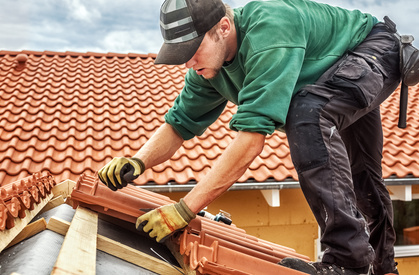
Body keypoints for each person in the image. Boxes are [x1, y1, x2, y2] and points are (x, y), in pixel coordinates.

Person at [98, 0, 402, 274]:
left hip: (372, 49)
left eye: (192, 50)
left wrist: (184, 210)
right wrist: (138, 161)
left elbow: (251, 141)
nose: (188, 63)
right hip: (332, 77)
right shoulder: (209, 69)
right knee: (361, 174)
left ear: (224, 27)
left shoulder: (269, 31)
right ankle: (383, 268)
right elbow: (179, 124)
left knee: (308, 115)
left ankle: (349, 261)